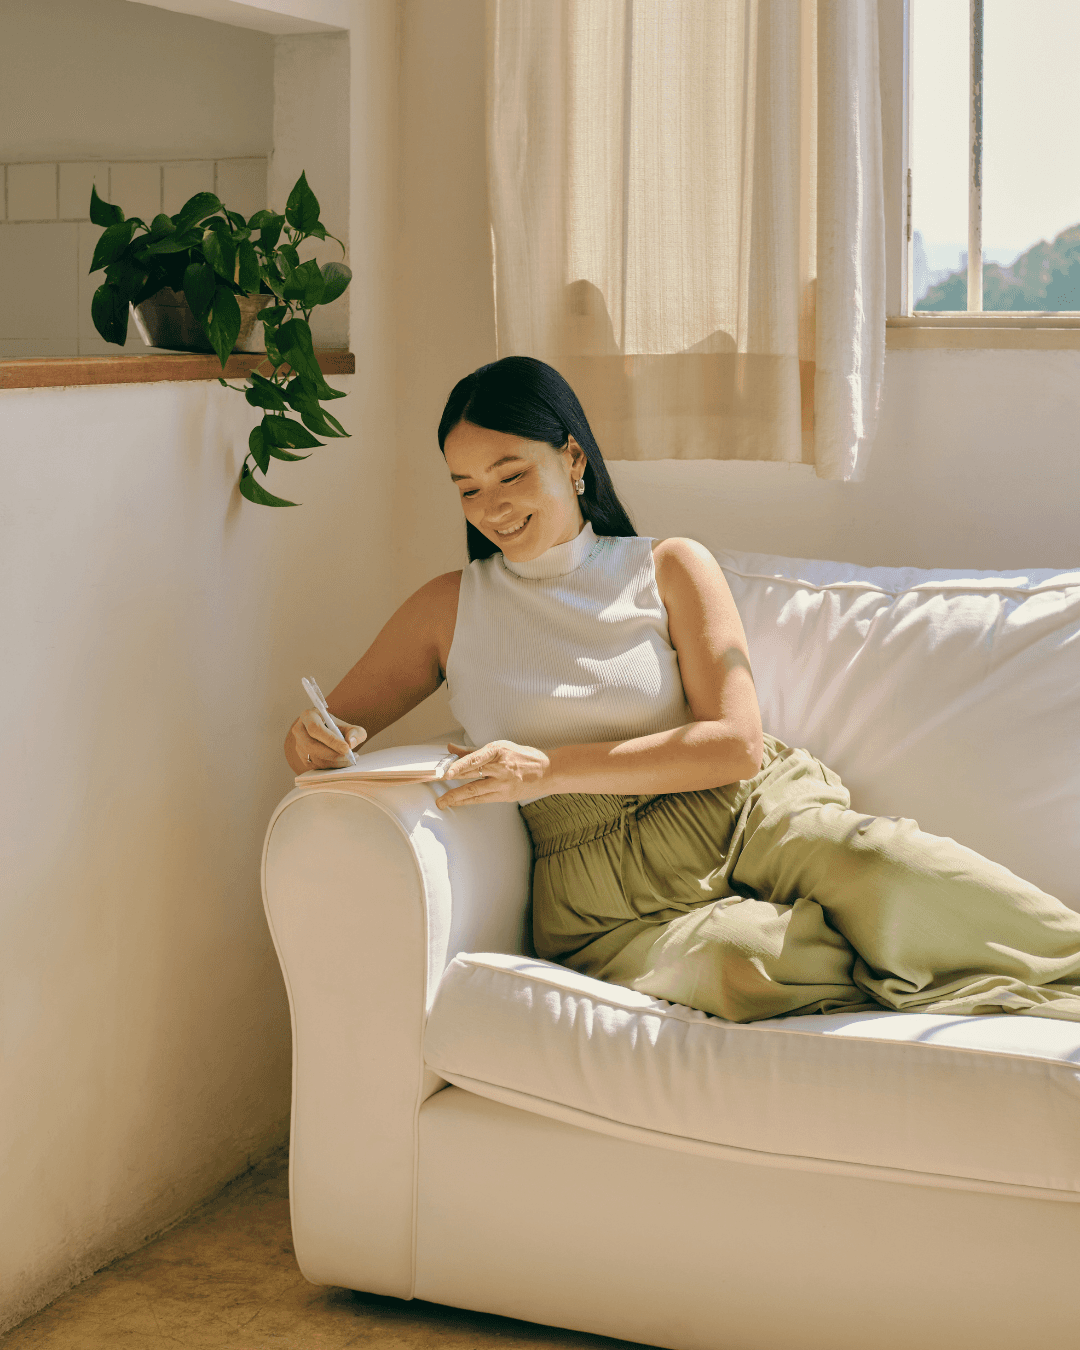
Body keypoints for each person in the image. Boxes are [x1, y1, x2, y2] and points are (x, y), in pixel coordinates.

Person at [284, 356, 1080, 1023]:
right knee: (742, 966)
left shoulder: (667, 566)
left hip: (745, 814)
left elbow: (734, 745)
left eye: (510, 473)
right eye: (465, 487)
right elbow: (332, 728)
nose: (490, 505)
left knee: (881, 863)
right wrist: (312, 740)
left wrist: (549, 770)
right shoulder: (446, 607)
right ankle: (903, 955)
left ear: (572, 457)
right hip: (600, 885)